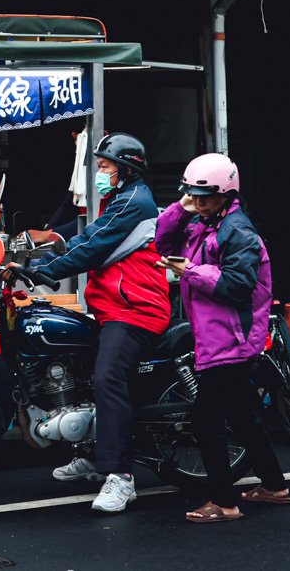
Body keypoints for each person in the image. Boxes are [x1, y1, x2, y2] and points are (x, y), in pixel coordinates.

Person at [33, 132, 170, 513]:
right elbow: (83, 236)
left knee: (109, 377)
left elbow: (91, 247)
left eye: (105, 166)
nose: (100, 172)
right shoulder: (118, 198)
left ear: (126, 169)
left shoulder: (133, 201)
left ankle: (121, 477)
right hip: (112, 306)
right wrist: (34, 256)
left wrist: (39, 273)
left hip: (137, 310)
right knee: (85, 373)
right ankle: (94, 456)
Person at [154, 152, 290, 523]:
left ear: (227, 194)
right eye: (192, 195)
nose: (197, 202)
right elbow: (163, 245)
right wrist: (180, 209)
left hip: (231, 341)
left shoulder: (238, 232)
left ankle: (223, 502)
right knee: (243, 415)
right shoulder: (205, 222)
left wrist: (192, 271)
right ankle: (275, 487)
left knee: (206, 421)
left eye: (204, 196)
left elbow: (237, 285)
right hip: (217, 338)